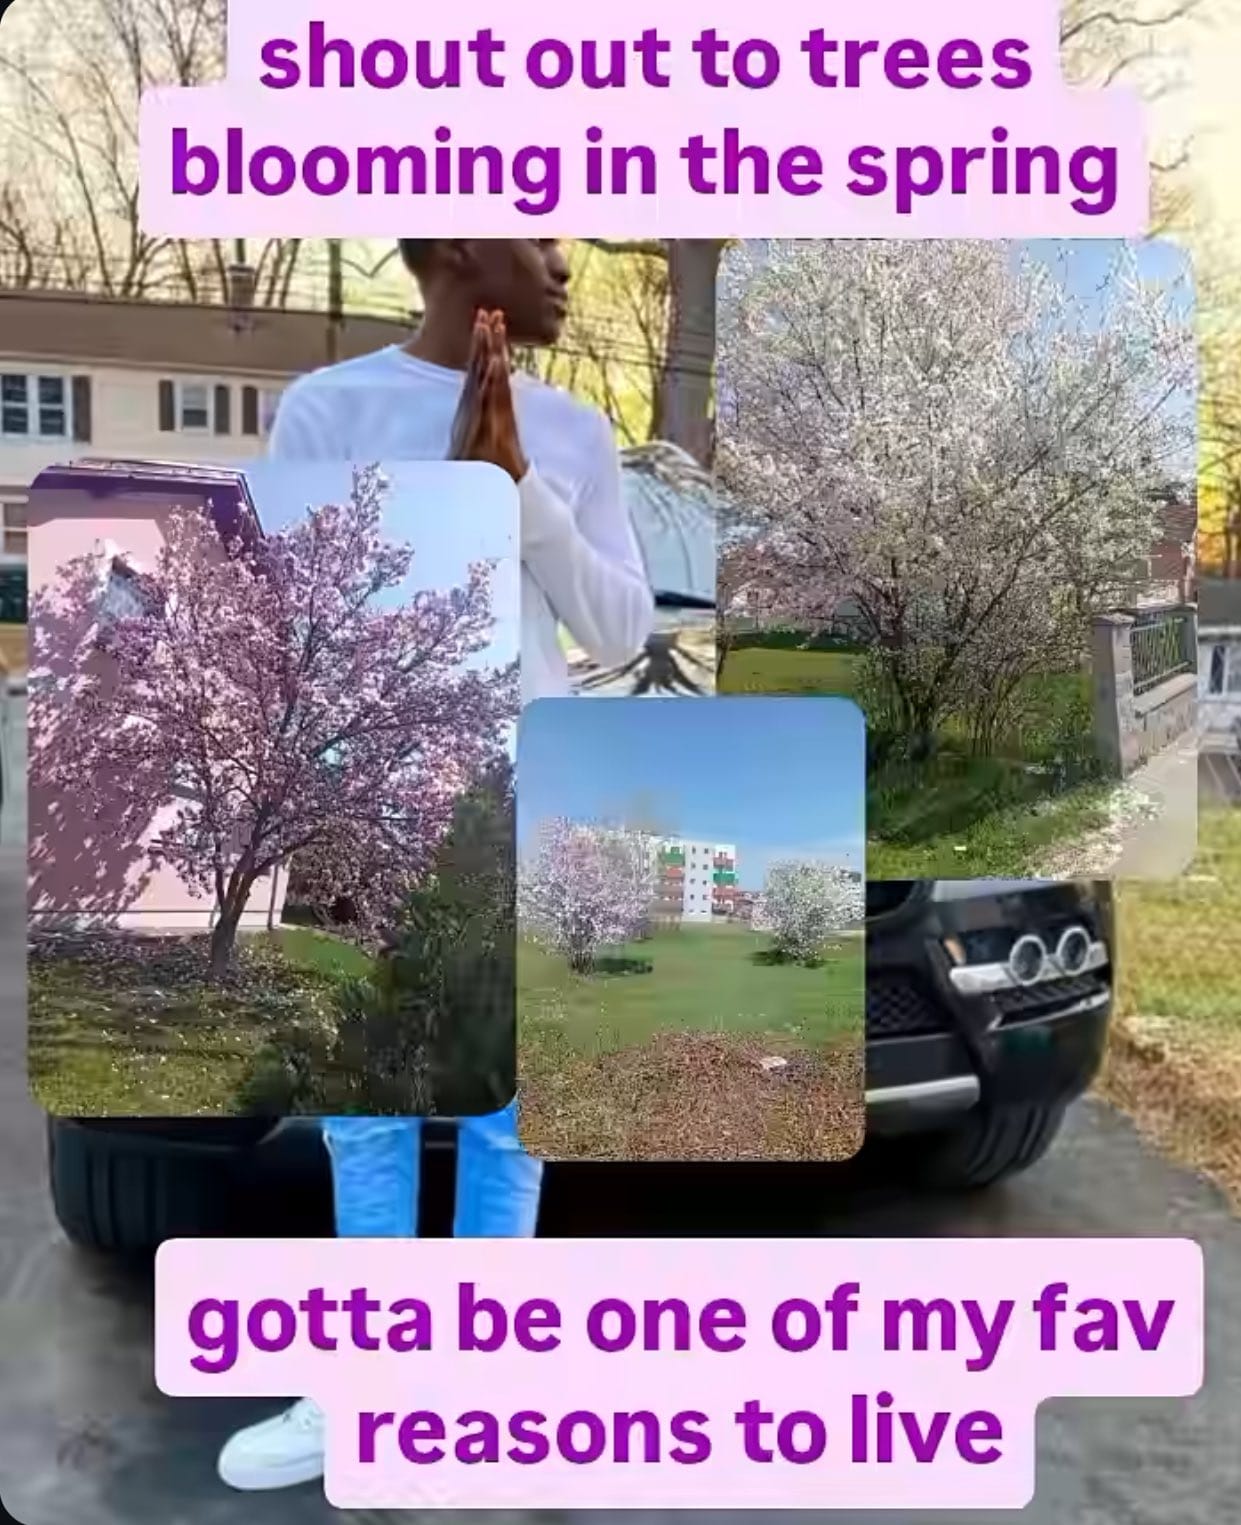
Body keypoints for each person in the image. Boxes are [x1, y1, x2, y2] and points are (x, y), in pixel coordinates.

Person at [216, 240, 654, 1492]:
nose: (563, 262)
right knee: (368, 1116)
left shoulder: (571, 430)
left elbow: (620, 625)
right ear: (459, 245)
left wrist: (520, 490)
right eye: (537, 231)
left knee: (512, 1124)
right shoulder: (330, 409)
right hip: (367, 803)